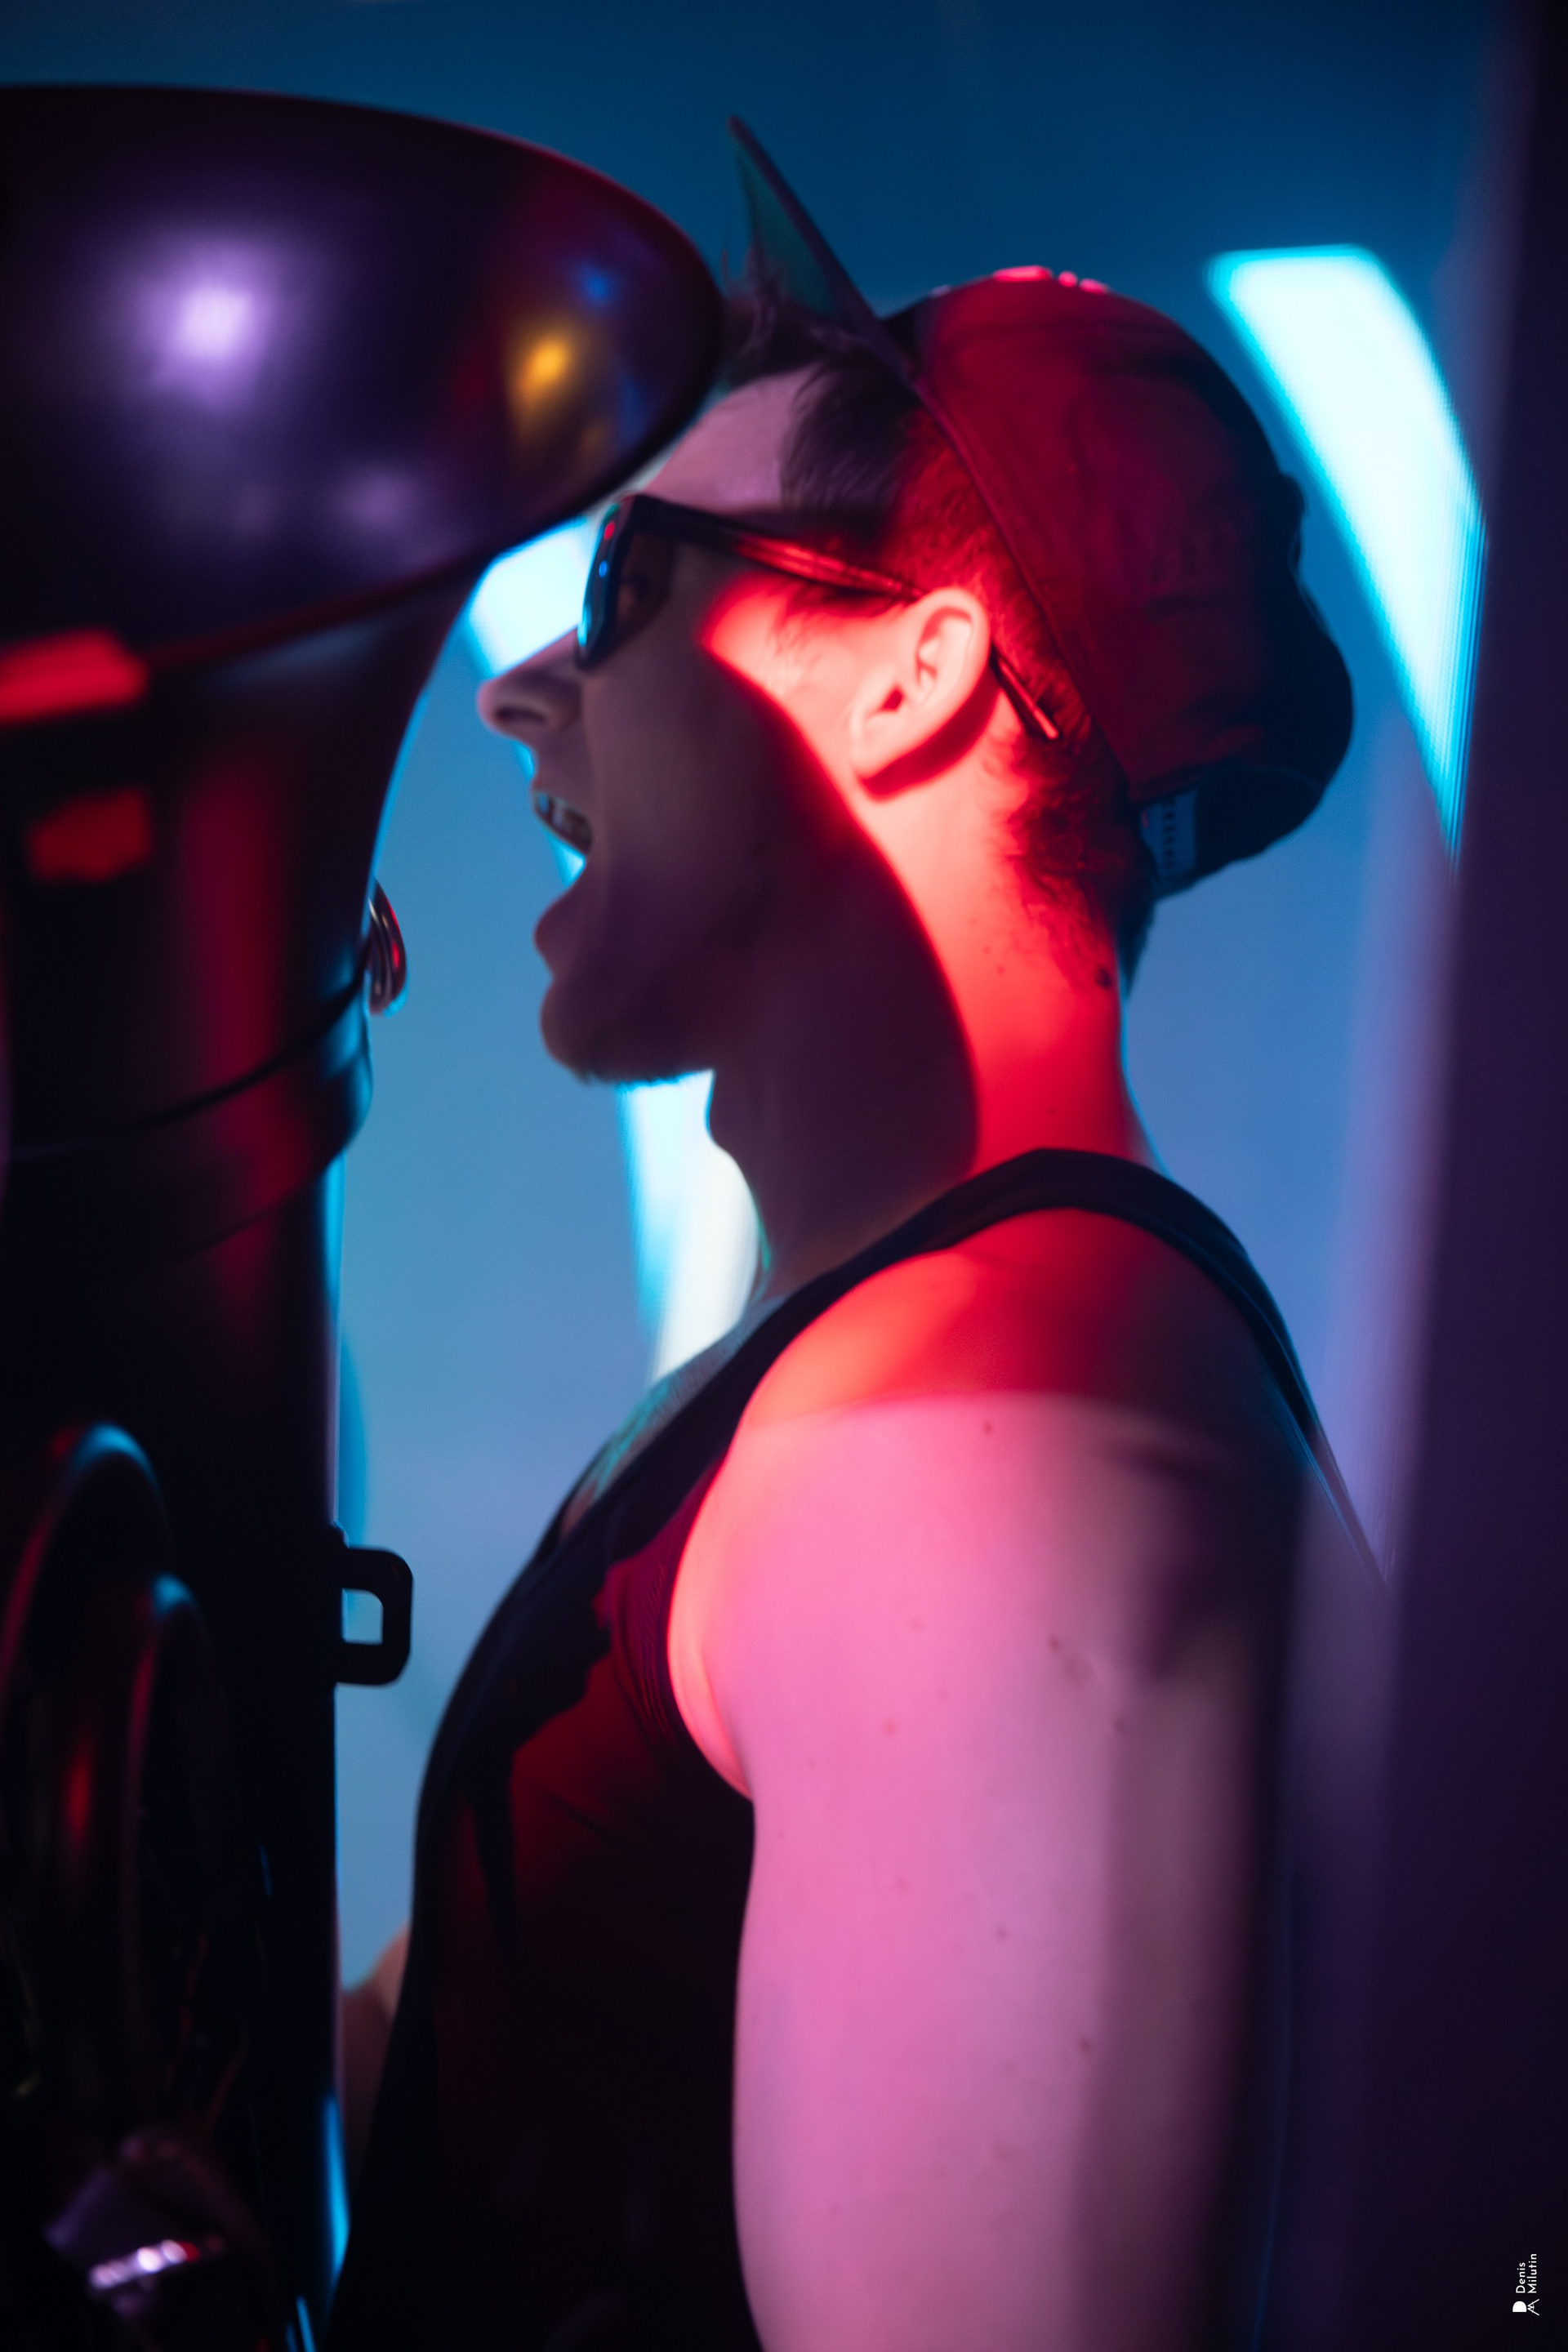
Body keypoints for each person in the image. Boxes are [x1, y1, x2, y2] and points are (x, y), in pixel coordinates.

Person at [330, 127, 1373, 2352]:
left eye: (628, 585)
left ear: (916, 678)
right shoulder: (919, 1386)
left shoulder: (990, 1438)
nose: (520, 691)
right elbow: (463, 2117)